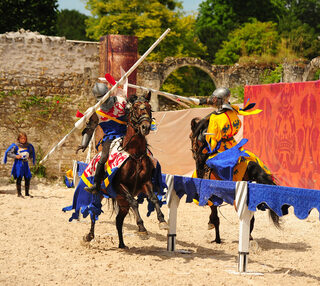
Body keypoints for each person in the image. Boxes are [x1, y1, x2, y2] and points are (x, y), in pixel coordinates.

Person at [198, 87, 265, 181]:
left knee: (208, 162)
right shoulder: (233, 110)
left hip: (221, 148)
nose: (213, 100)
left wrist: (209, 148)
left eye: (215, 98)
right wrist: (202, 101)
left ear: (219, 100)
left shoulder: (215, 118)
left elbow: (212, 138)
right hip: (233, 145)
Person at [76, 82, 128, 194]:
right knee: (103, 157)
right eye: (100, 97)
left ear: (108, 93)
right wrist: (84, 143)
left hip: (127, 133)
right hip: (110, 137)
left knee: (144, 150)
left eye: (104, 95)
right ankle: (96, 185)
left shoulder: (121, 101)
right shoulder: (96, 111)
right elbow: (90, 128)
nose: (103, 99)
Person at [3, 132, 36, 197]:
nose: (23, 140)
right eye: (22, 138)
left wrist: (30, 157)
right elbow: (9, 153)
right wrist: (16, 156)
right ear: (19, 139)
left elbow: (32, 153)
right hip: (18, 164)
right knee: (19, 177)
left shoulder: (29, 146)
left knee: (27, 178)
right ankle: (19, 194)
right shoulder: (15, 146)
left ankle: (27, 193)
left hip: (25, 163)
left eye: (24, 138)